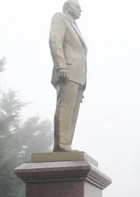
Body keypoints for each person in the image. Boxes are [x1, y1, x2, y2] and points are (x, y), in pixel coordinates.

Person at [49, 0, 88, 152]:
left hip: (78, 77)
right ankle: (62, 145)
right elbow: (54, 41)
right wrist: (61, 65)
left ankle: (66, 145)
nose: (80, 10)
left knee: (72, 114)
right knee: (64, 108)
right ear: (67, 6)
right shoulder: (60, 18)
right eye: (77, 6)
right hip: (67, 71)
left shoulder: (75, 26)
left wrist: (81, 83)